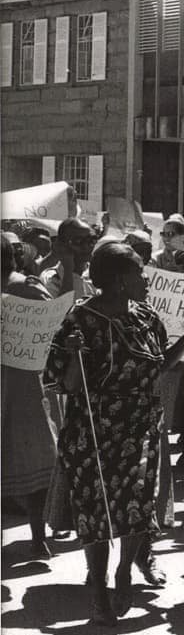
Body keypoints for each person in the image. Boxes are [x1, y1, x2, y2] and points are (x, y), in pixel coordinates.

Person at [44, 242, 184, 626]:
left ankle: (125, 571)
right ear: (120, 280)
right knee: (96, 513)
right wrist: (74, 354)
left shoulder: (147, 317)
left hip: (139, 428)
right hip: (93, 432)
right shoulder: (80, 319)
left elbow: (159, 367)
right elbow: (67, 385)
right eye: (139, 271)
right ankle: (99, 591)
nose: (146, 278)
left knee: (137, 506)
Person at [1, 237, 60, 558]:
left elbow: (51, 328)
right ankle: (38, 538)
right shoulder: (30, 287)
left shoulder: (26, 288)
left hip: (22, 389)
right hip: (25, 390)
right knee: (34, 464)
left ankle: (38, 537)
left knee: (34, 465)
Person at [40, 217, 96, 299]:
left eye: (91, 240)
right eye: (78, 241)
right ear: (62, 245)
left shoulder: (98, 274)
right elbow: (64, 306)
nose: (86, 246)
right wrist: (68, 271)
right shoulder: (50, 278)